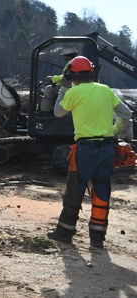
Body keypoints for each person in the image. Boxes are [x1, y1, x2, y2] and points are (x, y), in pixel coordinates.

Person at [48, 56, 126, 248]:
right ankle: (97, 239)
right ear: (91, 73)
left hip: (85, 150)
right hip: (107, 149)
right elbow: (127, 114)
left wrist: (64, 88)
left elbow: (58, 112)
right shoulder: (105, 90)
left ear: (70, 75)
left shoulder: (74, 92)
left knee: (75, 190)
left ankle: (64, 233)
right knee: (101, 191)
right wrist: (114, 131)